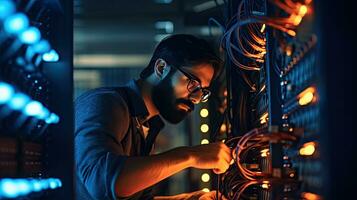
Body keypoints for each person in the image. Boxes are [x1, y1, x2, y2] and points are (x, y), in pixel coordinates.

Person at [75, 34, 232, 200]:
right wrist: (191, 155)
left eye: (203, 92)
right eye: (193, 83)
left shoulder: (147, 126)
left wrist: (192, 199)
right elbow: (105, 184)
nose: (196, 98)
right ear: (161, 68)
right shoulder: (105, 103)